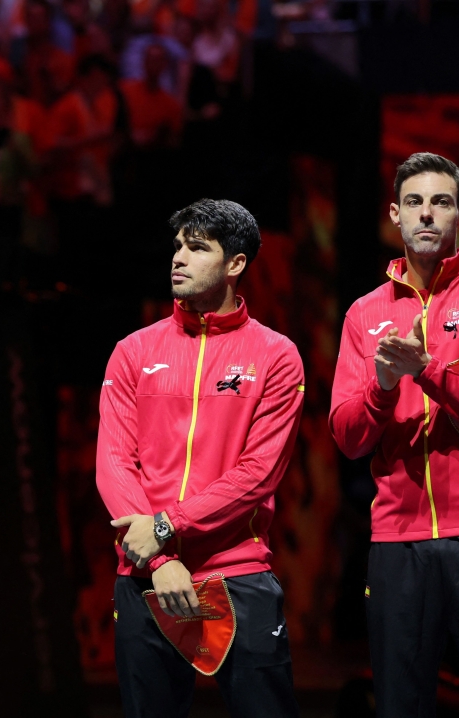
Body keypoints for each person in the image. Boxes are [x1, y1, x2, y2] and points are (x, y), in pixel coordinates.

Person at [97, 199, 304, 718]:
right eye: (177, 246)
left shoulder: (276, 355)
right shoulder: (133, 351)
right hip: (146, 575)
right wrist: (162, 558)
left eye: (197, 247)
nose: (179, 258)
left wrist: (166, 526)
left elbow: (258, 474)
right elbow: (115, 462)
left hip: (237, 573)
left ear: (235, 264)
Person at [330, 153, 459, 717]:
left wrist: (425, 370)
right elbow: (348, 439)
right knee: (400, 705)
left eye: (441, 202)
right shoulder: (362, 314)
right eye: (415, 203)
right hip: (397, 539)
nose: (427, 214)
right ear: (395, 214)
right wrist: (380, 386)